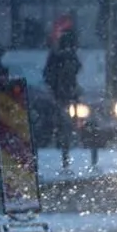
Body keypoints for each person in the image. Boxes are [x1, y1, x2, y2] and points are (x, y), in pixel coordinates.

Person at [43, 28, 81, 166]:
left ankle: (64, 149)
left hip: (63, 94)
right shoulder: (65, 56)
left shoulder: (60, 55)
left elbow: (48, 74)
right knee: (64, 124)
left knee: (64, 124)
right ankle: (64, 151)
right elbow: (75, 69)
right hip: (64, 94)